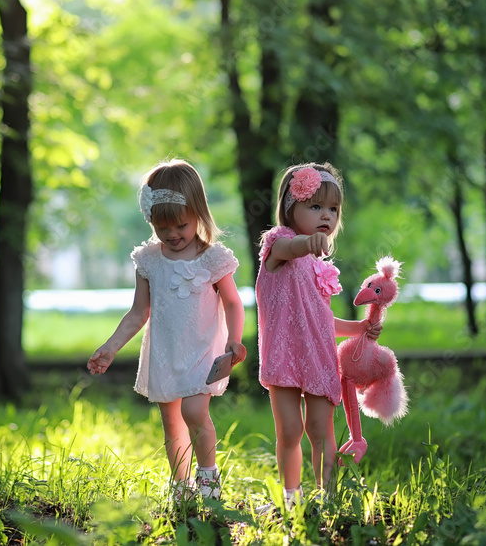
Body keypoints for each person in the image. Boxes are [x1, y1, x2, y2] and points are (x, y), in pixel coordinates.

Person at [87, 159, 247, 501]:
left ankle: (208, 483)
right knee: (172, 421)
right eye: (163, 228)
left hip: (202, 350)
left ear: (199, 214)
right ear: (151, 222)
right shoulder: (149, 260)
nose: (172, 234)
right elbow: (138, 312)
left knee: (194, 413)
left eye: (181, 225)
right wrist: (110, 347)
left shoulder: (211, 259)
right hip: (164, 353)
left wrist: (235, 338)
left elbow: (233, 302)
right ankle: (181, 486)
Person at [256, 162, 381, 506]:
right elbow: (290, 248)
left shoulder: (319, 266)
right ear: (289, 207)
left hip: (319, 358)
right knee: (291, 430)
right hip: (283, 355)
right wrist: (306, 242)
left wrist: (359, 328)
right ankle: (291, 495)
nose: (326, 215)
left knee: (321, 430)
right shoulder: (278, 245)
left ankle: (328, 497)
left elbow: (321, 318)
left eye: (333, 209)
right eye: (315, 206)